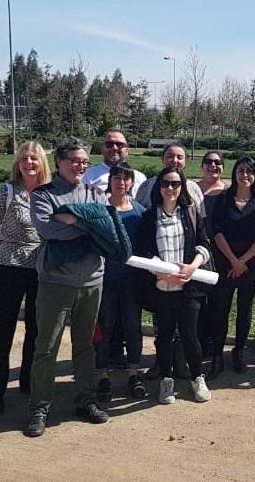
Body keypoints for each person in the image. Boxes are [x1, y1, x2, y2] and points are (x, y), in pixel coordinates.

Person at [25, 137, 110, 437]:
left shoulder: (94, 192)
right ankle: (39, 407)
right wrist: (86, 224)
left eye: (85, 162)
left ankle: (86, 400)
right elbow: (48, 229)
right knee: (46, 347)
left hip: (92, 281)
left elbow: (104, 229)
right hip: (55, 281)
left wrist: (71, 220)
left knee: (85, 346)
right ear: (59, 162)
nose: (80, 166)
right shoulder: (43, 195)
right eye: (74, 160)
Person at [135, 166, 213, 404]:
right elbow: (144, 251)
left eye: (176, 184)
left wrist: (192, 267)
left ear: (182, 187)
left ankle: (197, 378)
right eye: (166, 183)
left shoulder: (190, 213)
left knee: (190, 335)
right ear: (159, 187)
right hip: (162, 287)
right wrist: (162, 273)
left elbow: (204, 244)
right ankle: (166, 381)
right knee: (165, 335)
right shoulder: (149, 217)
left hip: (188, 287)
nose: (170, 188)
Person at [0, 141, 52, 415]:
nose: (29, 162)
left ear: (42, 162)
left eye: (34, 158)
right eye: (24, 158)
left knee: (36, 329)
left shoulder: (49, 193)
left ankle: (27, 382)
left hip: (42, 269)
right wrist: (1, 252)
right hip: (11, 267)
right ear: (18, 163)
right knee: (5, 327)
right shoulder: (8, 191)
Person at [85, 130, 146, 369]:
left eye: (119, 144)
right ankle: (101, 367)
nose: (114, 148)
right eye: (109, 143)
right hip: (104, 273)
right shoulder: (89, 176)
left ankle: (130, 367)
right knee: (105, 322)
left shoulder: (139, 186)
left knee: (131, 323)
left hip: (132, 274)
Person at [207, 157, 255, 379]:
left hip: (250, 262)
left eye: (250, 172)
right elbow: (217, 231)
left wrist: (242, 262)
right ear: (234, 174)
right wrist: (233, 260)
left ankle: (239, 351)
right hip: (225, 260)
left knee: (245, 309)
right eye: (241, 171)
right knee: (220, 309)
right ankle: (216, 355)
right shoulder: (223, 199)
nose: (245, 175)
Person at [94, 164, 147, 402]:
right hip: (105, 280)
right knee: (105, 327)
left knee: (132, 327)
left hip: (132, 282)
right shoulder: (98, 210)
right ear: (110, 181)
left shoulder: (139, 212)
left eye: (126, 179)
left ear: (132, 183)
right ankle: (102, 375)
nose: (121, 183)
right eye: (117, 178)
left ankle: (134, 372)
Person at [196, 150, 227, 357]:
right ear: (202, 166)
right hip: (196, 252)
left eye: (217, 162)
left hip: (221, 253)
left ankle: (214, 346)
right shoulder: (191, 189)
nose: (213, 166)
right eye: (208, 162)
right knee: (198, 300)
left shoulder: (228, 191)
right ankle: (198, 344)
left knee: (218, 301)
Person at [85, 130, 146, 197]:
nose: (115, 148)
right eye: (109, 145)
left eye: (120, 145)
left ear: (127, 150)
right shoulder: (87, 175)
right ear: (102, 149)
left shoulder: (140, 177)